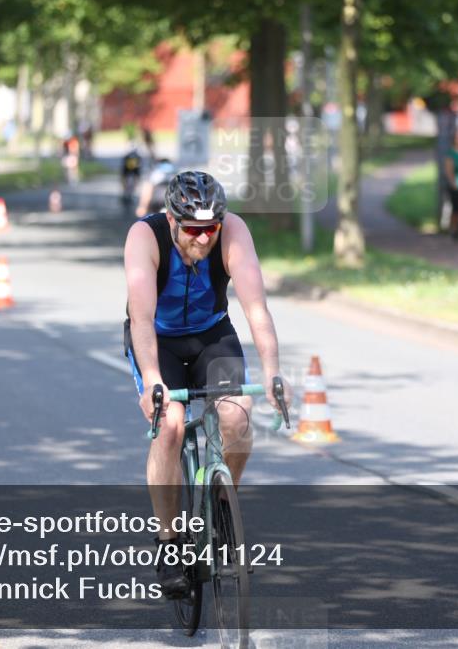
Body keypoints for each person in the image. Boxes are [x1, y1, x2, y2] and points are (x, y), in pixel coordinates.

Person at [123, 171, 291, 598]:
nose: (203, 239)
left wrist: (272, 370)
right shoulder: (145, 237)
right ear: (172, 219)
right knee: (171, 426)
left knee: (236, 418)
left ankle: (220, 511)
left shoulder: (233, 231)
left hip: (211, 334)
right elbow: (141, 319)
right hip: (156, 339)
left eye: (210, 228)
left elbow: (256, 309)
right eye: (193, 229)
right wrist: (154, 382)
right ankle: (168, 542)